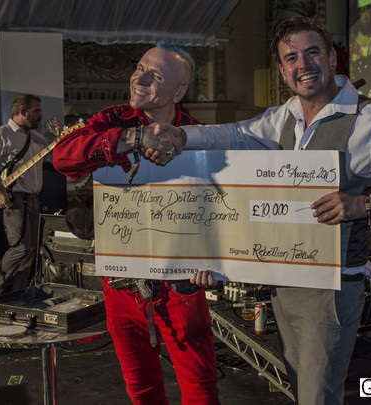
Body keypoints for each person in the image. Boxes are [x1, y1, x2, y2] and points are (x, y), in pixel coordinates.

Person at [144, 17, 371, 404]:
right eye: (291, 58)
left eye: (312, 53)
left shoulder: (370, 122)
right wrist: (182, 135)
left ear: (331, 58)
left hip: (331, 288)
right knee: (302, 391)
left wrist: (367, 204)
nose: (303, 64)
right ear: (282, 71)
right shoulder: (285, 116)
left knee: (318, 397)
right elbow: (235, 135)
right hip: (284, 283)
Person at [52, 41, 220, 405]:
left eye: (154, 76)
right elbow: (63, 158)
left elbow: (222, 210)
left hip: (181, 285)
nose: (139, 79)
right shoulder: (115, 120)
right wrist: (132, 138)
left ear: (179, 91)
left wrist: (216, 260)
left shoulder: (198, 134)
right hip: (122, 284)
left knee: (200, 388)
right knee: (140, 388)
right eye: (139, 68)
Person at [0, 94, 46, 298]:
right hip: (13, 199)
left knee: (29, 251)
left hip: (33, 199)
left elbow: (56, 157)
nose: (40, 115)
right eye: (36, 111)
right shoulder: (1, 134)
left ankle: (19, 293)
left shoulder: (37, 138)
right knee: (20, 248)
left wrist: (61, 136)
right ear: (23, 112)